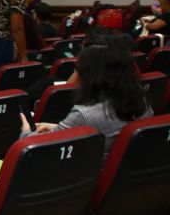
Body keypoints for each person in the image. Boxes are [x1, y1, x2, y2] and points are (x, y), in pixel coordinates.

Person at [21, 35, 152, 158]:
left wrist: (26, 132)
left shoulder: (84, 114)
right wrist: (57, 127)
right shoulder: (142, 100)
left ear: (89, 74)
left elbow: (35, 151)